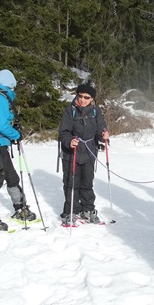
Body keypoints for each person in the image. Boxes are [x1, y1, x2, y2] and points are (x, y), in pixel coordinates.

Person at [0, 69, 36, 230]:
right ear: (10, 85)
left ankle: (20, 208)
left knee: (11, 176)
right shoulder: (0, 98)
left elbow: (1, 118)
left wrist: (12, 122)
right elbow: (2, 125)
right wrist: (16, 134)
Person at [58, 83, 109, 225]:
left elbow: (100, 128)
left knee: (87, 183)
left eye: (86, 97)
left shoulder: (95, 111)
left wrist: (104, 135)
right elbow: (63, 133)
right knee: (71, 184)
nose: (82, 99)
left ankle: (87, 209)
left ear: (92, 99)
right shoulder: (70, 110)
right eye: (80, 96)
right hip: (72, 152)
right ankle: (71, 211)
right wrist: (69, 141)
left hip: (89, 151)